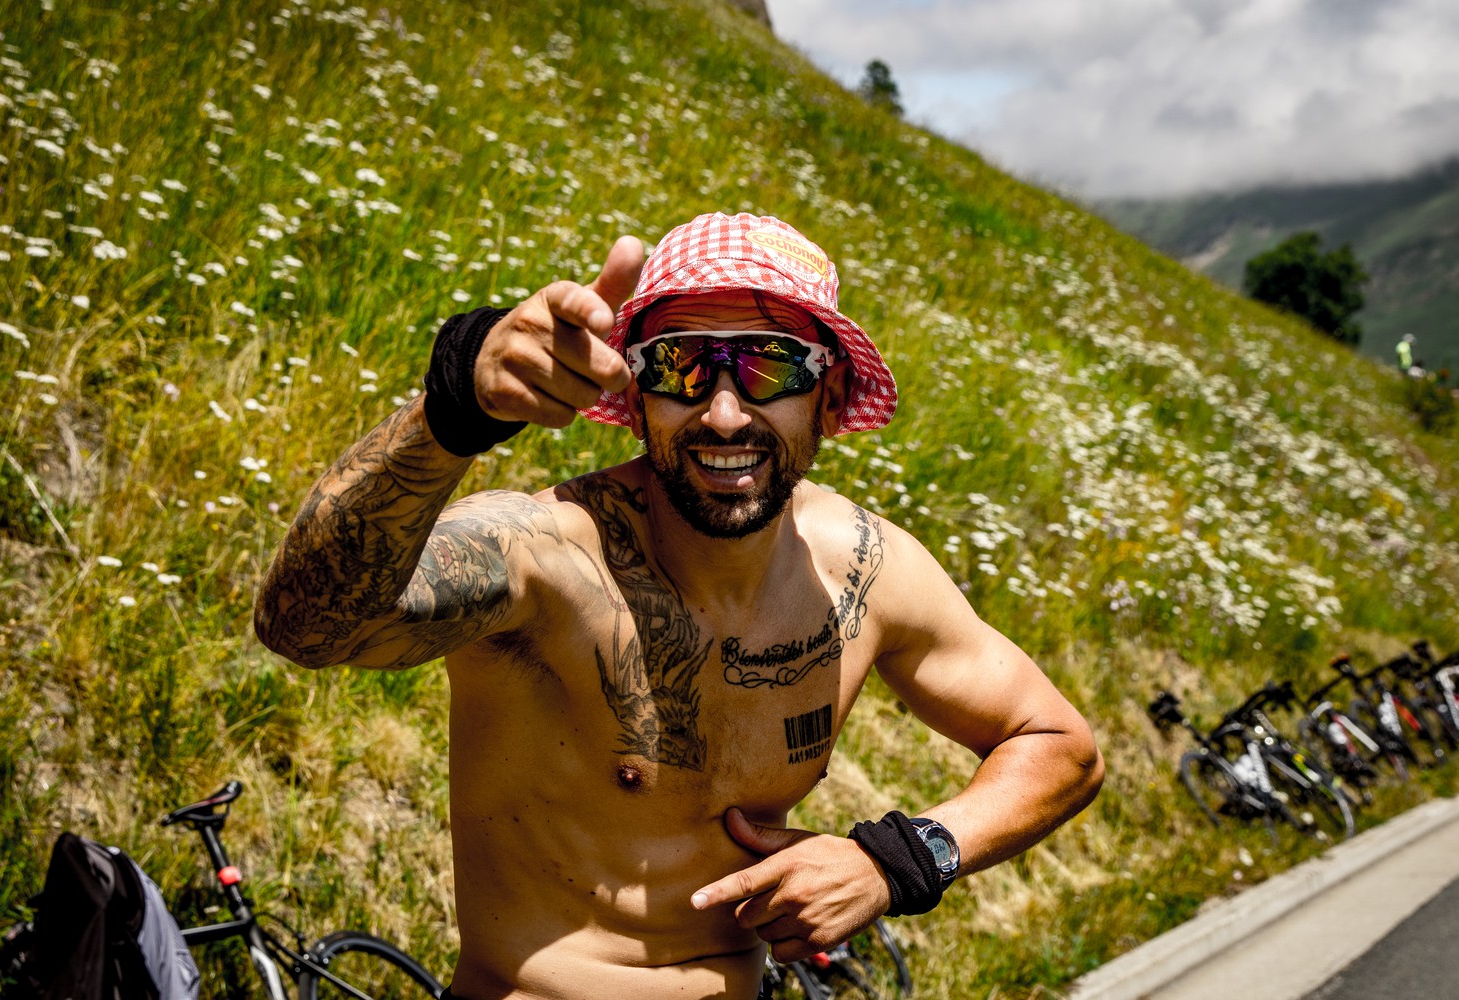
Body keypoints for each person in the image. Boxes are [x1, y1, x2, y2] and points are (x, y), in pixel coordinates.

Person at [255, 212, 1104, 1000]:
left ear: (831, 396)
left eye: (771, 366)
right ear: (636, 398)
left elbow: (1060, 747)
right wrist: (449, 413)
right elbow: (305, 624)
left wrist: (901, 862)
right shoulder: (547, 555)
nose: (724, 413)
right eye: (678, 368)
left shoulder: (869, 571)